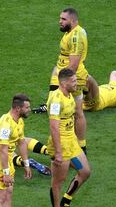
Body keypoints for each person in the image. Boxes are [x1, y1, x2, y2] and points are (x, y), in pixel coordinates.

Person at [34, 8, 89, 153]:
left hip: (70, 77)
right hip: (61, 74)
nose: (60, 21)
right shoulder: (71, 32)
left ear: (72, 20)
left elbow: (74, 65)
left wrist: (64, 83)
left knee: (76, 112)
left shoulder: (76, 36)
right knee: (56, 107)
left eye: (63, 19)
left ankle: (79, 146)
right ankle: (67, 142)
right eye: (60, 18)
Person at [47, 69, 91, 207]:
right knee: (58, 181)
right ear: (63, 83)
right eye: (73, 81)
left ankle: (65, 202)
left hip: (71, 142)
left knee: (85, 172)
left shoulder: (69, 95)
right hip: (61, 145)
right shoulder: (56, 100)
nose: (76, 83)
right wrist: (58, 152)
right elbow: (54, 127)